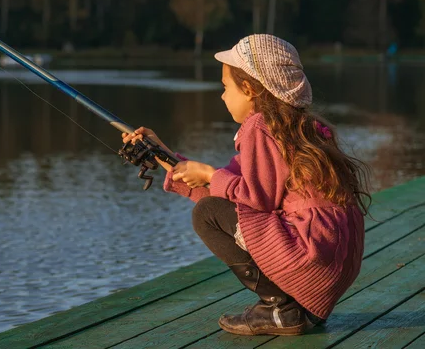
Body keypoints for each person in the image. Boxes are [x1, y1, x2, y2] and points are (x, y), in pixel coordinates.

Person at [121, 34, 371, 336]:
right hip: (329, 267)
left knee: (207, 213)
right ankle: (293, 308)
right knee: (214, 205)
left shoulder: (260, 127)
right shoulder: (299, 128)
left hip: (310, 260)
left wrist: (212, 176)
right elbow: (229, 189)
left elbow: (251, 198)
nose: (223, 96)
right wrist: (163, 154)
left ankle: (281, 308)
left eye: (226, 88)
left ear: (250, 89)